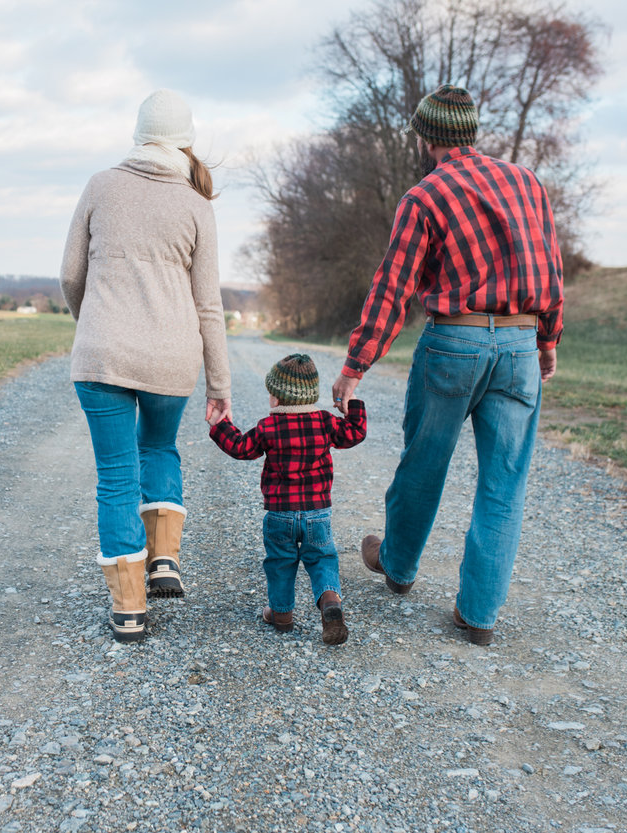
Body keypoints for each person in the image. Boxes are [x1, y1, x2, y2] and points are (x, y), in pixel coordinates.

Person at [331, 84, 564, 647]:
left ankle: (399, 567)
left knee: (424, 463)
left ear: (424, 136)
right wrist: (547, 340)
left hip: (453, 344)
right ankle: (479, 615)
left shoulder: (424, 196)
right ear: (472, 133)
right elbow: (551, 271)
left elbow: (393, 288)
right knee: (504, 483)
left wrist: (355, 366)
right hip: (518, 345)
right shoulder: (527, 183)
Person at [59, 89, 231, 643]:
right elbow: (209, 305)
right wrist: (220, 384)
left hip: (102, 353)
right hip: (171, 356)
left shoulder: (101, 185)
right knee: (158, 447)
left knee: (115, 479)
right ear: (186, 141)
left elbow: (69, 274)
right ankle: (164, 561)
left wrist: (90, 322)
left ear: (138, 135)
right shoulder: (196, 204)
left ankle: (130, 610)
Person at [208, 355, 370, 645]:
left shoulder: (269, 426)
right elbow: (355, 433)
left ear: (276, 397)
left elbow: (241, 448)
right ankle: (330, 600)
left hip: (279, 514)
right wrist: (352, 404)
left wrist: (221, 425)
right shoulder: (325, 422)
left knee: (280, 562)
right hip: (317, 513)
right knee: (322, 558)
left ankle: (281, 614)